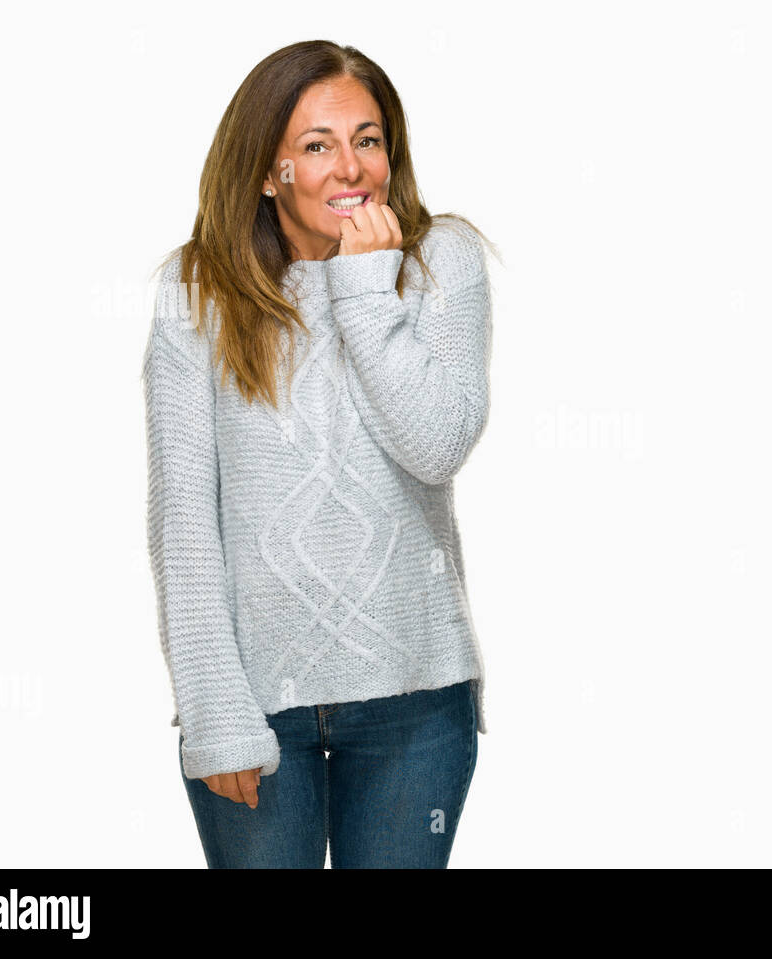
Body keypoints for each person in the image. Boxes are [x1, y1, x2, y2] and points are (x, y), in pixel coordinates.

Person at [140, 39, 497, 868]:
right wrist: (213, 706)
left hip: (415, 702)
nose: (351, 169)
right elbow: (184, 514)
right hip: (257, 702)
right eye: (317, 145)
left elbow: (439, 444)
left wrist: (366, 287)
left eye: (368, 139)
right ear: (271, 172)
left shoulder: (440, 262)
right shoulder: (197, 289)